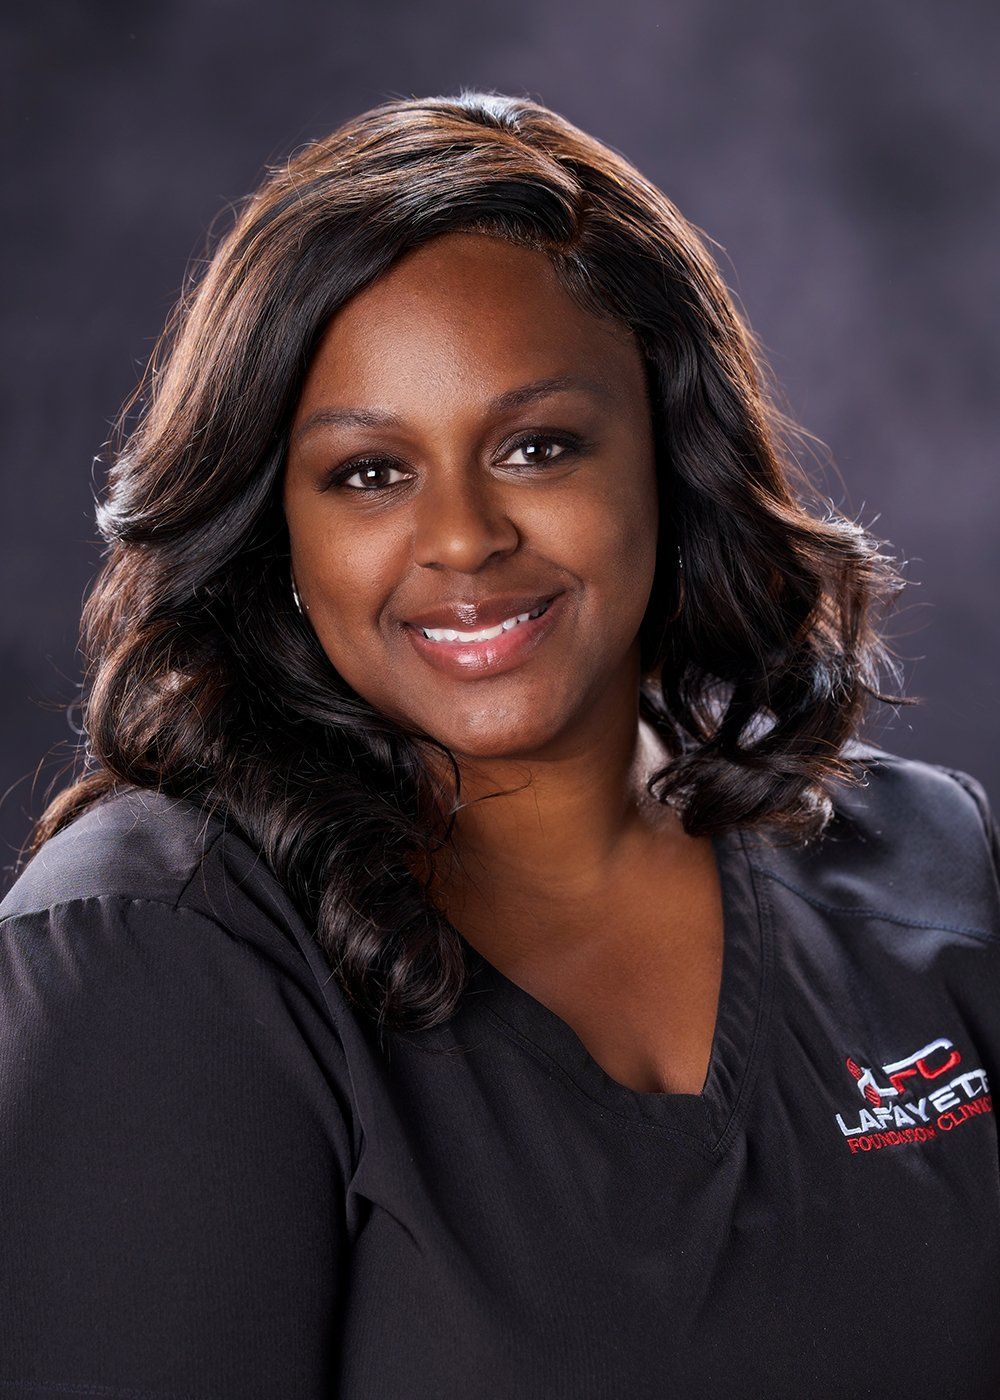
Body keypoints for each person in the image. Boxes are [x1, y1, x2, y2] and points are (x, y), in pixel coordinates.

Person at [1, 90, 998, 1400]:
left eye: (537, 448)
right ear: (274, 525)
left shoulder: (936, 869)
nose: (464, 538)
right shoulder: (160, 947)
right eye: (369, 471)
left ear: (668, 456)